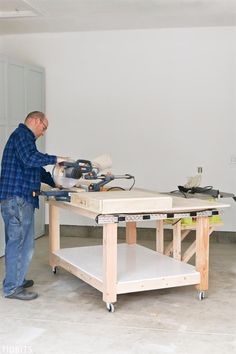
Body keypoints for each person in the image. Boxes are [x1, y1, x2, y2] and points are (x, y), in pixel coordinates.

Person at [0, 111, 66, 301]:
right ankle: (13, 288)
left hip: (17, 199)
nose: (43, 132)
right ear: (35, 121)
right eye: (43, 127)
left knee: (19, 243)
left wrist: (55, 183)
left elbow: (35, 168)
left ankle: (15, 280)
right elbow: (31, 159)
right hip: (18, 199)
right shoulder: (22, 135)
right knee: (21, 244)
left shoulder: (25, 142)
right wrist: (56, 159)